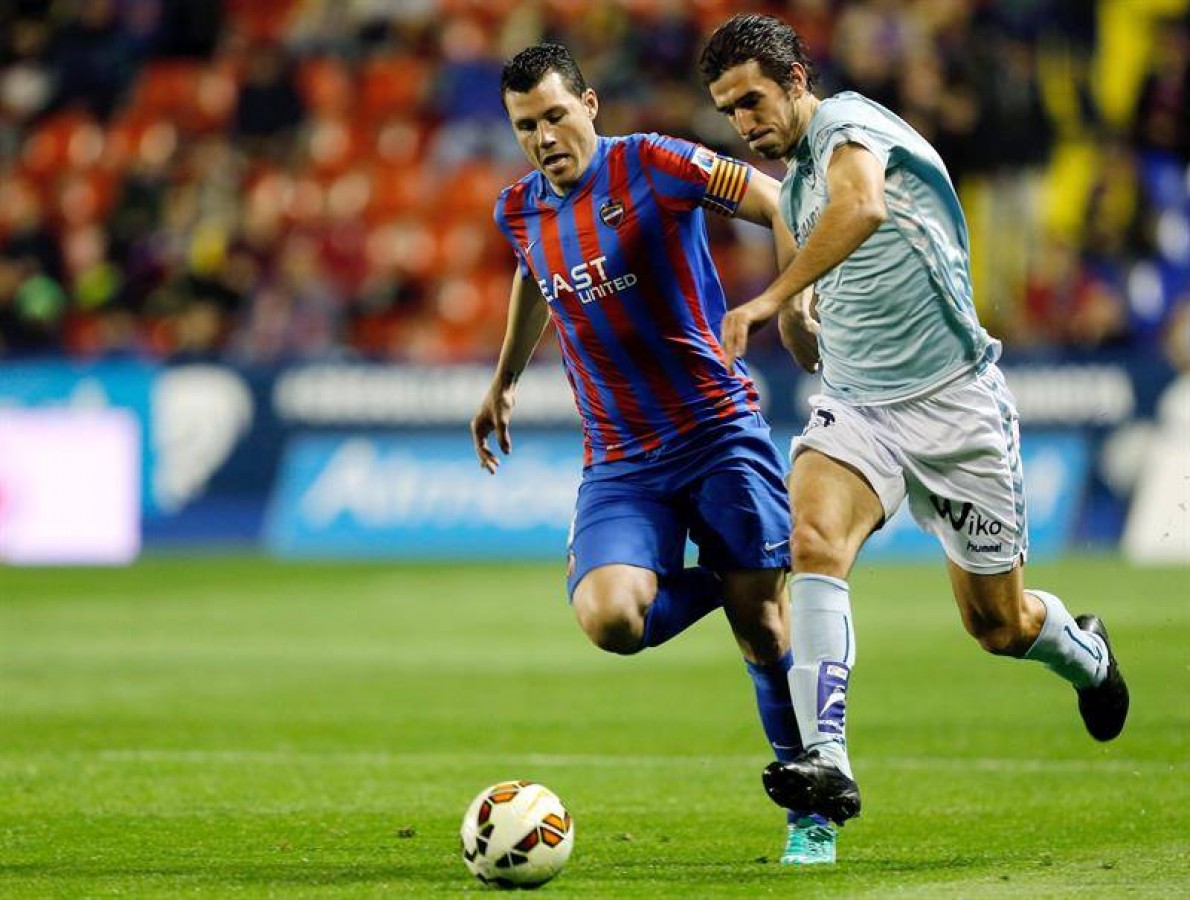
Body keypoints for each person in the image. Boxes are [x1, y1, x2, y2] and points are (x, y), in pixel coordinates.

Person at [697, 14, 1129, 827]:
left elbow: (863, 207)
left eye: (752, 101)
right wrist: (797, 319)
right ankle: (828, 758)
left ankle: (1087, 655)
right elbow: (821, 292)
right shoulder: (797, 186)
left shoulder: (848, 126)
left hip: (955, 406)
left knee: (997, 625)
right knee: (812, 542)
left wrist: (768, 299)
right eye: (728, 111)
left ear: (796, 82)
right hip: (860, 406)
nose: (743, 123)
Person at [470, 42, 836, 865]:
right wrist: (504, 381)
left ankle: (808, 810)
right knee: (610, 620)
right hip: (621, 460)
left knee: (764, 629)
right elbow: (534, 272)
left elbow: (782, 200)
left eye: (555, 116)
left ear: (589, 105)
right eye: (525, 126)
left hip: (718, 432)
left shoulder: (656, 163)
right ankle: (732, 576)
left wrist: (789, 303)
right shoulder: (518, 209)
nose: (543, 138)